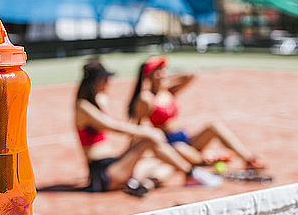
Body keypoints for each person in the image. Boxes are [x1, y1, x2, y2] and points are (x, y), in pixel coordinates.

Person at [75, 59, 221, 197]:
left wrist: (162, 80)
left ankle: (145, 182)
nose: (108, 83)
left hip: (111, 164)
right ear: (96, 82)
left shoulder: (97, 102)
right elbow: (113, 126)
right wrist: (145, 131)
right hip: (102, 173)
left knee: (162, 161)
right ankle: (192, 173)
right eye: (105, 80)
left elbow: (190, 75)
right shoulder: (83, 107)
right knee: (149, 141)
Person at [128, 56, 265, 170]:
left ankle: (249, 159)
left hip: (184, 137)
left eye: (163, 70)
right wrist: (131, 155)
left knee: (213, 126)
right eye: (158, 71)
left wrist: (165, 80)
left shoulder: (168, 91)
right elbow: (137, 128)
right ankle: (208, 159)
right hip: (170, 145)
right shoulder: (146, 98)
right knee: (182, 150)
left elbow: (191, 75)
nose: (163, 73)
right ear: (149, 75)